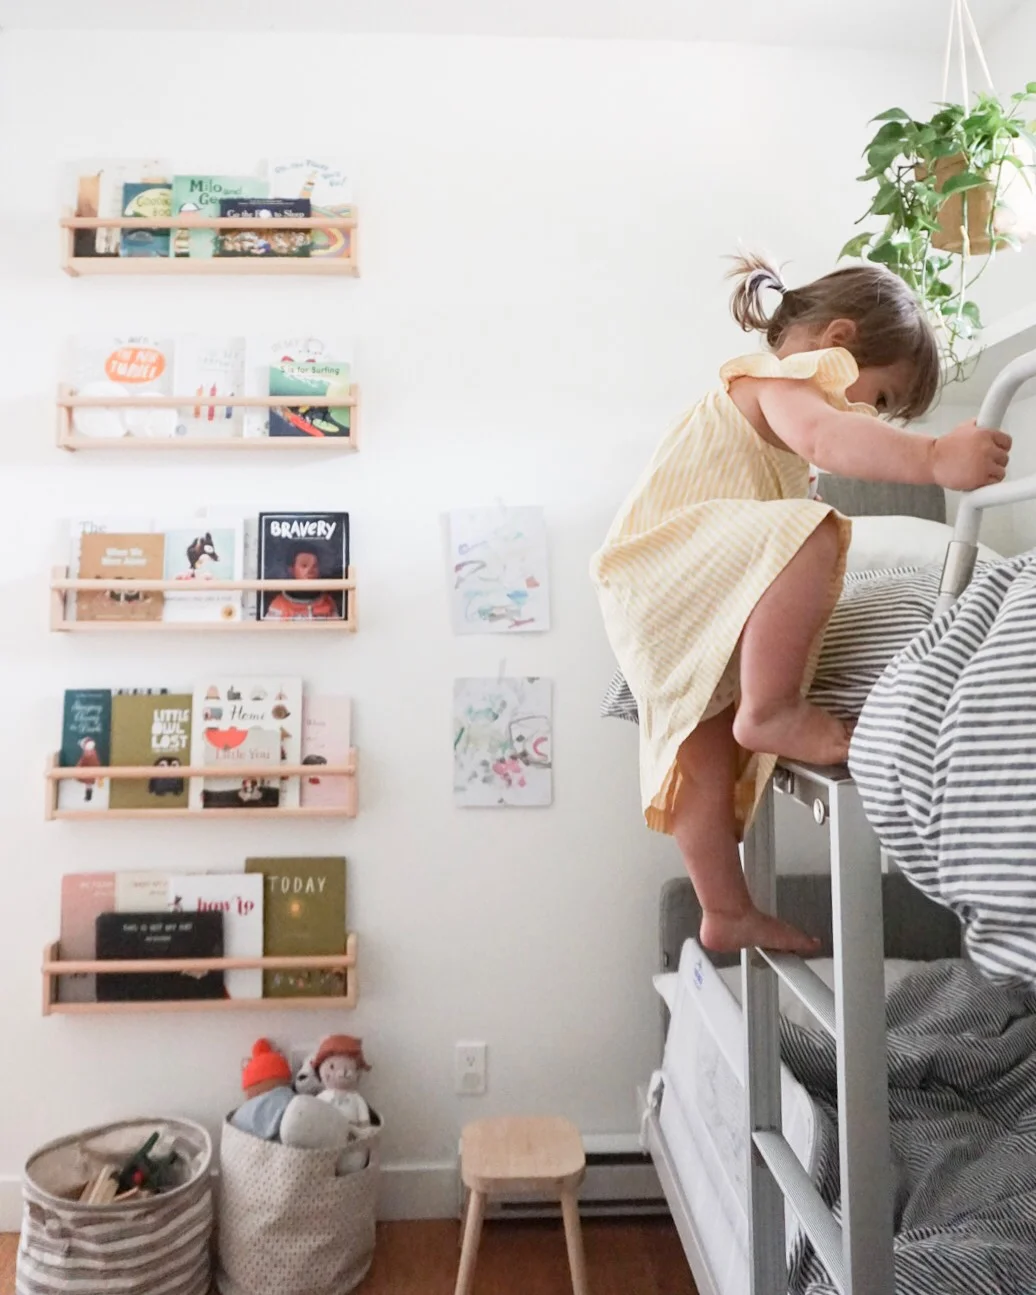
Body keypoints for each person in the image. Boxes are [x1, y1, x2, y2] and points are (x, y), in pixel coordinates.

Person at [590, 254, 1011, 956]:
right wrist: (934, 457)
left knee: (705, 753)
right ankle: (775, 708)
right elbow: (828, 436)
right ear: (836, 343)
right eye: (879, 398)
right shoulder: (777, 378)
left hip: (657, 590)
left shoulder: (769, 414)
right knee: (814, 534)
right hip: (666, 565)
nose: (873, 417)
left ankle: (724, 907)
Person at [265, 547, 340, 619]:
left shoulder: (327, 601)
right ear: (291, 570)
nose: (310, 570)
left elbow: (339, 630)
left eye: (315, 566)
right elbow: (269, 630)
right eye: (304, 565)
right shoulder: (280, 604)